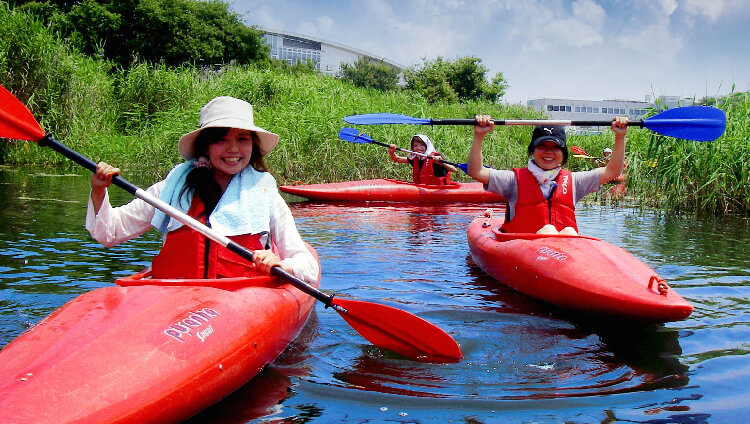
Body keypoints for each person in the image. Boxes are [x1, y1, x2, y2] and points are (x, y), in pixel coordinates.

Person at [86, 96, 319, 282]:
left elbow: (305, 263)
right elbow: (111, 233)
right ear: (205, 145)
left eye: (242, 139)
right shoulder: (172, 189)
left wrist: (281, 264)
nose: (233, 149)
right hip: (176, 298)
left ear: (253, 145)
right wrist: (99, 190)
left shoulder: (265, 194)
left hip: (240, 299)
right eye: (221, 139)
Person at [467, 115, 628, 235]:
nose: (548, 152)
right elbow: (477, 171)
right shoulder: (513, 181)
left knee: (569, 232)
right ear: (533, 151)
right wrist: (479, 135)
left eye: (555, 147)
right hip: (522, 249)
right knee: (549, 230)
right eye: (542, 146)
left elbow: (611, 172)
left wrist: (620, 136)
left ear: (563, 153)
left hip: (564, 252)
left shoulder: (574, 181)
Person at [388, 134, 457, 185]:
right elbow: (397, 159)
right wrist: (391, 152)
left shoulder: (435, 157)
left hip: (439, 190)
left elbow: (454, 170)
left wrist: (441, 163)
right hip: (423, 190)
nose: (418, 148)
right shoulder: (416, 158)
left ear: (426, 146)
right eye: (415, 146)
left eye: (421, 145)